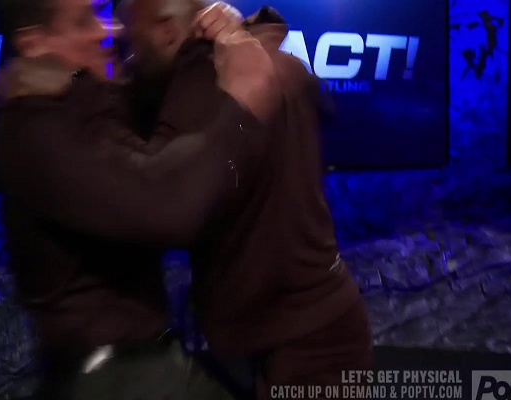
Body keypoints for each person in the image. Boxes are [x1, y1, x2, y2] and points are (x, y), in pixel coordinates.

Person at [0, 0, 278, 398]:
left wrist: (216, 38)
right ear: (35, 43)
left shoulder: (83, 104)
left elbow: (164, 134)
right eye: (84, 22)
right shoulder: (36, 133)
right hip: (114, 377)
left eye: (101, 15)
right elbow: (165, 206)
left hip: (141, 363)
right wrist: (242, 107)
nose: (107, 31)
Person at [117, 1, 373, 398]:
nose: (126, 52)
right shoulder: (277, 62)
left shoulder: (194, 96)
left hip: (305, 339)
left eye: (130, 35)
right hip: (315, 323)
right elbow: (325, 109)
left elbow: (161, 210)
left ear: (167, 31)